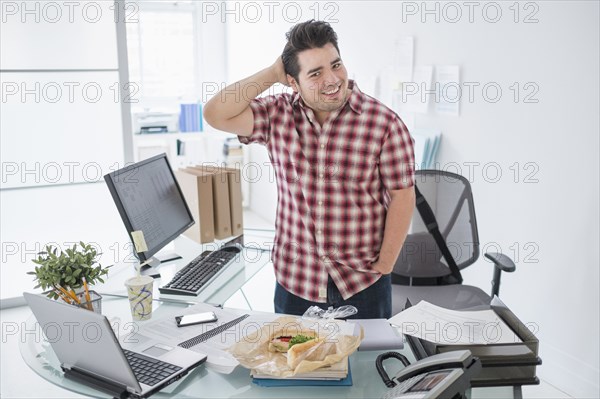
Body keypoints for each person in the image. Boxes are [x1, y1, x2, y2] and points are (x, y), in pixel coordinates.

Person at [203, 20, 415, 319]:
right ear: (293, 82)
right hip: (295, 284)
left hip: (363, 283)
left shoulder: (384, 123)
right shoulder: (277, 114)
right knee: (296, 367)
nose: (332, 80)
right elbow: (215, 114)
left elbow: (402, 195)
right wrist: (271, 73)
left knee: (366, 366)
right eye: (315, 73)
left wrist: (386, 264)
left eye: (336, 65)